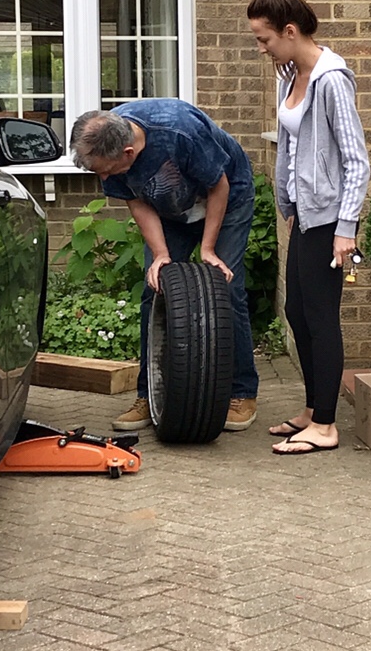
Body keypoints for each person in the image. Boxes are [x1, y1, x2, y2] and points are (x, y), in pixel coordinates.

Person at [70, 101, 259, 432]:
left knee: (227, 288)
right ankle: (149, 394)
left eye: (107, 171)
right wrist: (160, 254)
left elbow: (219, 186)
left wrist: (208, 249)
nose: (104, 178)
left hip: (227, 199)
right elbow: (136, 201)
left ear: (128, 153)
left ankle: (242, 393)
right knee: (154, 289)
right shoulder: (108, 144)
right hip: (170, 210)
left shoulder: (180, 131)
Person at [247, 0, 370, 455]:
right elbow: (293, 145)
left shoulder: (331, 80)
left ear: (290, 31)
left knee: (320, 318)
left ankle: (326, 425)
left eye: (264, 39)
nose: (261, 48)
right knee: (297, 312)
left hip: (330, 220)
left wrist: (346, 229)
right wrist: (291, 204)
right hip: (304, 215)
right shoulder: (289, 75)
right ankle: (312, 409)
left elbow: (356, 161)